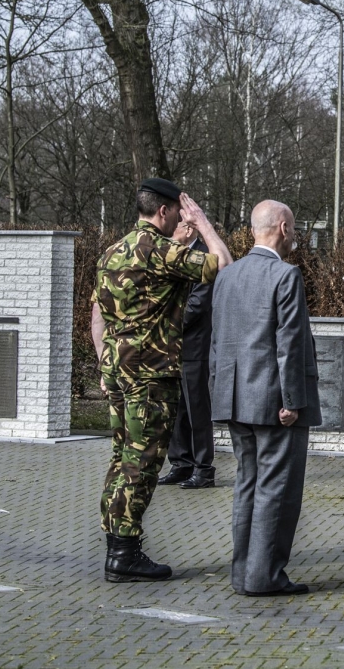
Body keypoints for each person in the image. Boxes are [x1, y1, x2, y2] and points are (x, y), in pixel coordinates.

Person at [90, 178, 232, 582]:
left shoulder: (111, 253)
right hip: (149, 375)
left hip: (118, 370)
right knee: (142, 465)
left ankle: (117, 545)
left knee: (122, 459)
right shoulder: (159, 249)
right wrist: (203, 224)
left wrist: (105, 363)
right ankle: (124, 554)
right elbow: (223, 265)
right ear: (166, 211)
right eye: (180, 211)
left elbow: (102, 315)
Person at [210, 199, 321, 597]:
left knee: (247, 486)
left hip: (235, 398)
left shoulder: (228, 275)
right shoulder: (285, 275)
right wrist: (293, 400)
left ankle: (243, 575)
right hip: (275, 403)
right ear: (283, 228)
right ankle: (265, 577)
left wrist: (218, 392)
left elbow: (217, 342)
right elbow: (288, 344)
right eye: (294, 226)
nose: (296, 234)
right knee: (277, 490)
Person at [157, 221, 218, 489]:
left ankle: (203, 469)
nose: (169, 234)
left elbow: (196, 306)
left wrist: (160, 321)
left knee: (197, 409)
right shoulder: (174, 257)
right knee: (175, 409)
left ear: (189, 230)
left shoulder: (203, 259)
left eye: (175, 229)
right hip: (170, 347)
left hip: (194, 347)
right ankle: (181, 464)